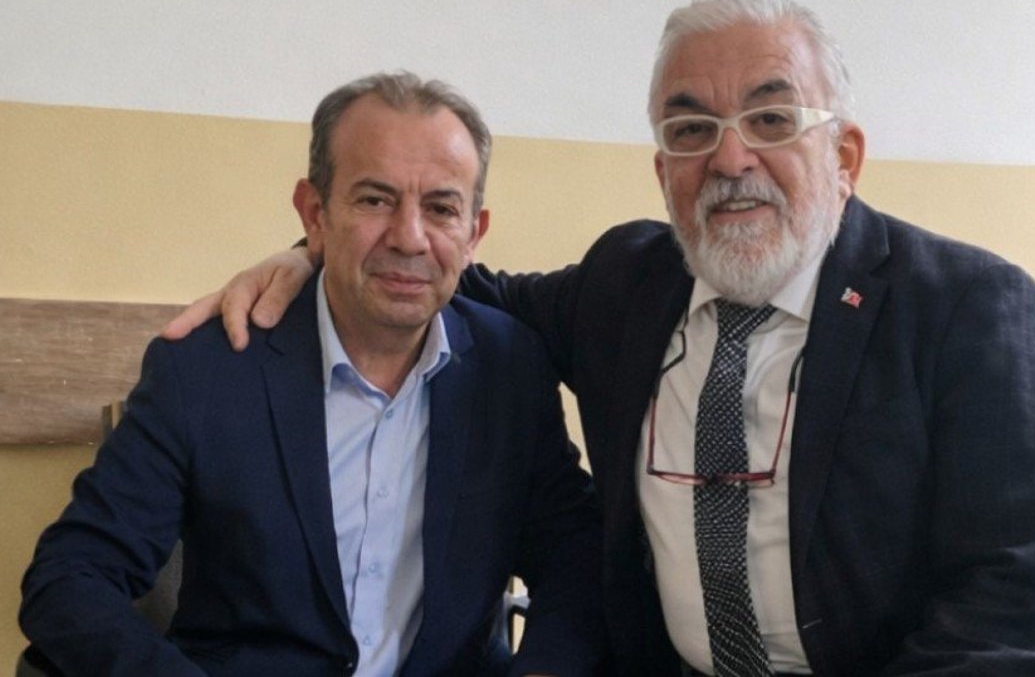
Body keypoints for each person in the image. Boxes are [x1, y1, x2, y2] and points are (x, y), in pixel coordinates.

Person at [164, 0, 1035, 676]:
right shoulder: (628, 285)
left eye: (770, 118)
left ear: (843, 157)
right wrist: (311, 253)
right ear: (663, 170)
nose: (729, 157)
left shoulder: (968, 310)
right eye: (692, 128)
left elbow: (1013, 618)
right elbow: (436, 269)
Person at [21, 72, 605, 676]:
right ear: (314, 214)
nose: (410, 238)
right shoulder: (208, 369)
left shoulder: (510, 367)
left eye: (441, 208)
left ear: (474, 232)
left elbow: (574, 551)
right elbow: (70, 579)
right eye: (375, 200)